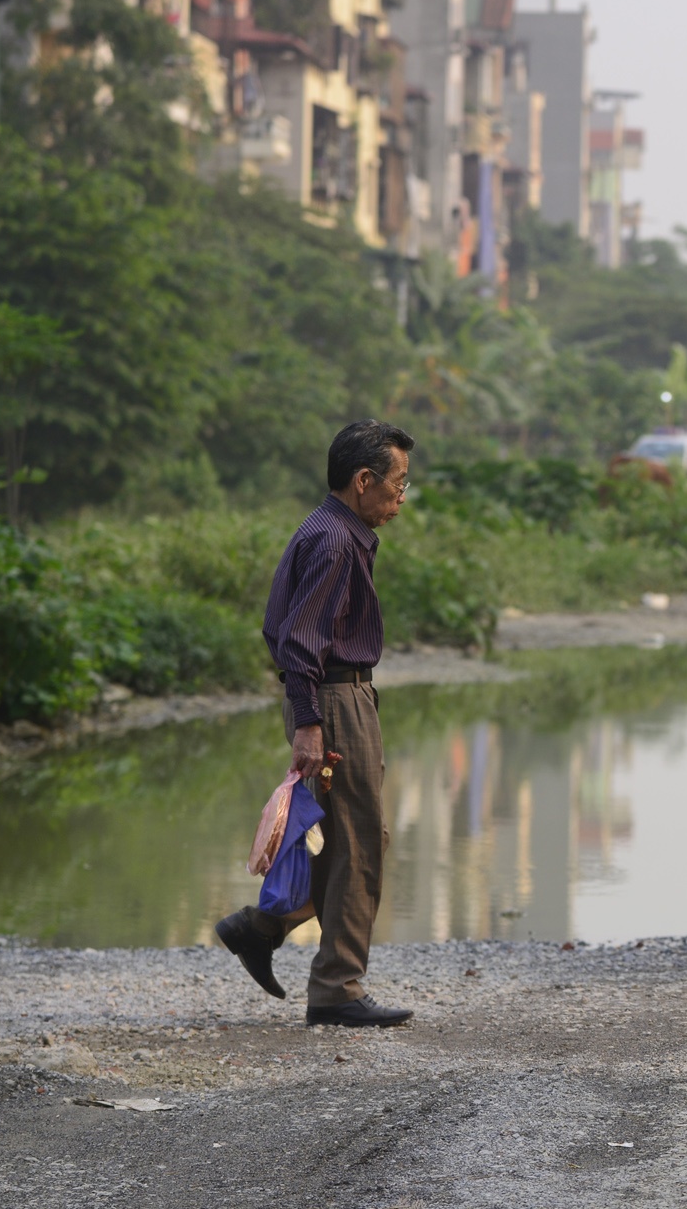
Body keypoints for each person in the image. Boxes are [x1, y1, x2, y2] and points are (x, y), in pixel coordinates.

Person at [216, 419, 416, 1028]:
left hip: (331, 700)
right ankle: (336, 988)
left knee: (355, 841)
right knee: (358, 845)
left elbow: (281, 631)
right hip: (333, 701)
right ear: (363, 481)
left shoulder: (329, 528)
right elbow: (300, 644)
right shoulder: (334, 540)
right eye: (398, 483)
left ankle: (263, 927)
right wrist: (310, 724)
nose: (402, 497)